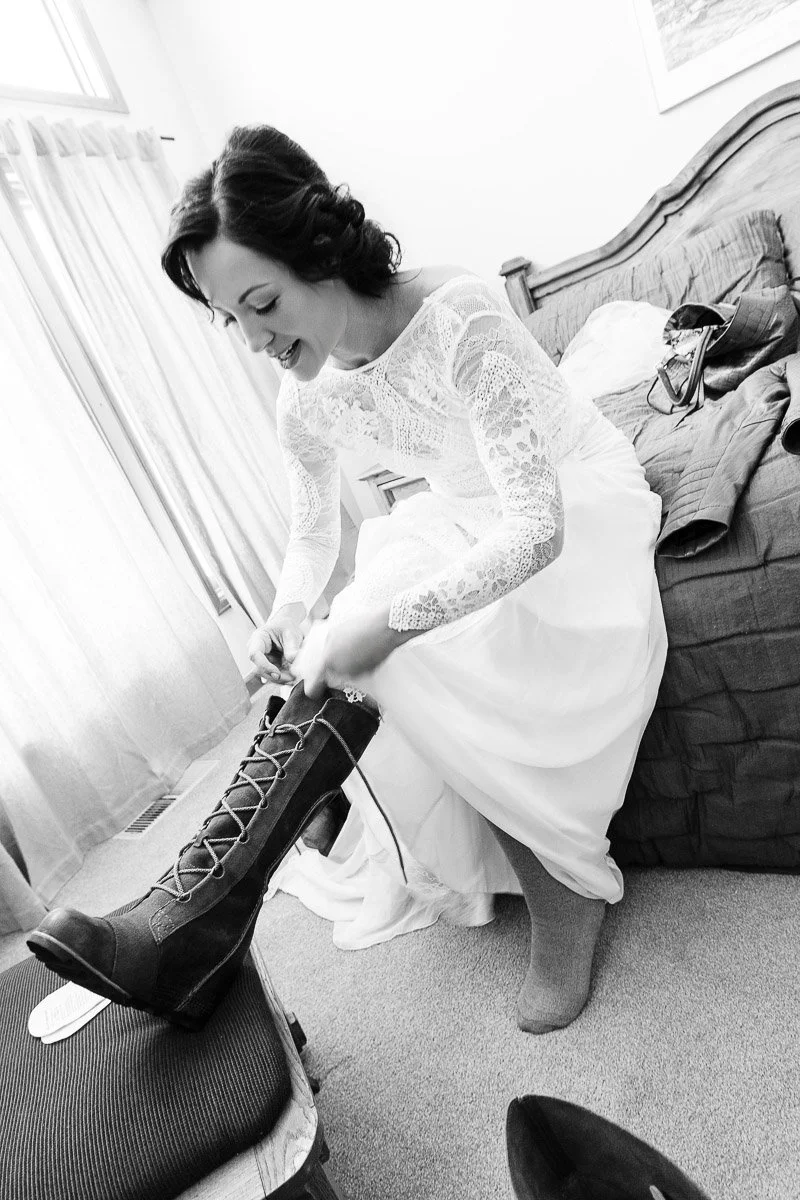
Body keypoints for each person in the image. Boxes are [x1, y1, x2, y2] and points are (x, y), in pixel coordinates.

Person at [31, 125, 668, 1035]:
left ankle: (564, 890)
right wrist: (288, 611)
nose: (253, 338)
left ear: (320, 253)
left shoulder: (463, 314)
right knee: (345, 625)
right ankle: (190, 912)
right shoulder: (306, 392)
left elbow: (535, 529)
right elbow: (309, 529)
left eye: (262, 302)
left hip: (570, 503)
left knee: (390, 642)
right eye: (231, 318)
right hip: (456, 512)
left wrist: (388, 628)